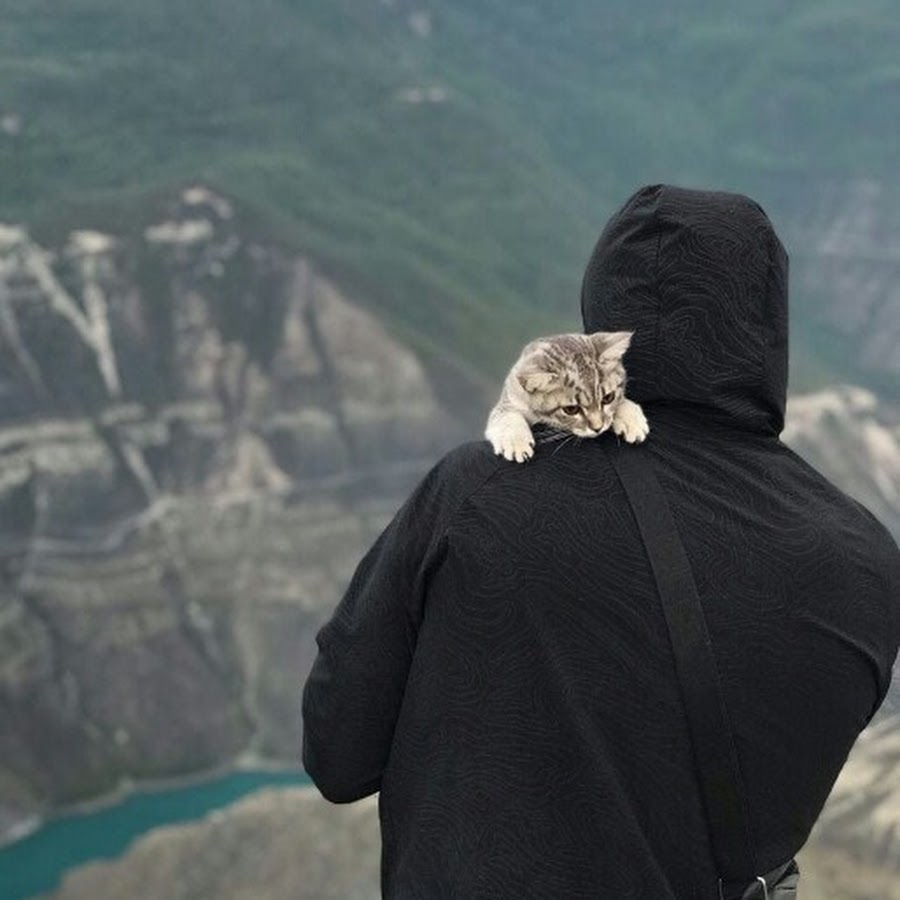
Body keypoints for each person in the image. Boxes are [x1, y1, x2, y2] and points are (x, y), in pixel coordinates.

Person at [301, 185, 900, 898]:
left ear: (601, 310)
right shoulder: (864, 561)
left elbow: (338, 755)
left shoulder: (478, 494)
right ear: (768, 328)